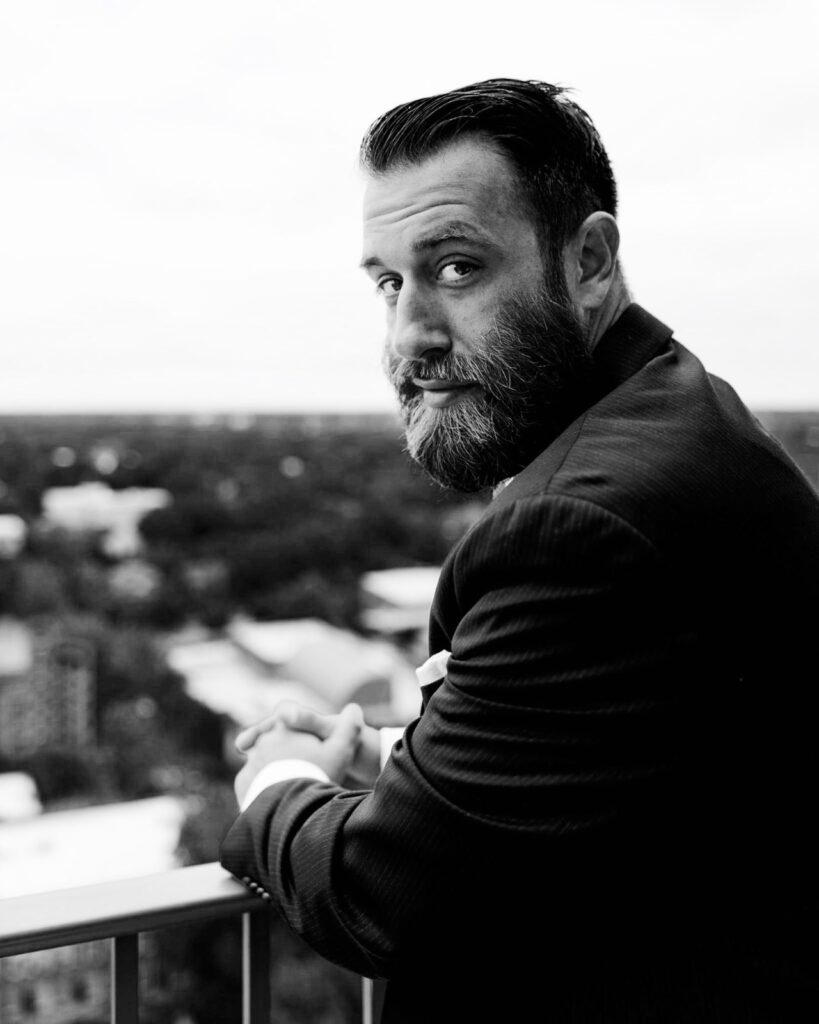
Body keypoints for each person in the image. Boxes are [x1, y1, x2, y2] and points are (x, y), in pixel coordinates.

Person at [220, 79, 819, 1022]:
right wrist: (399, 763)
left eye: (455, 268)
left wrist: (277, 776)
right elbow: (656, 771)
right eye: (388, 282)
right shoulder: (684, 416)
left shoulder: (578, 529)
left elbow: (380, 897)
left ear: (586, 260)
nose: (408, 335)